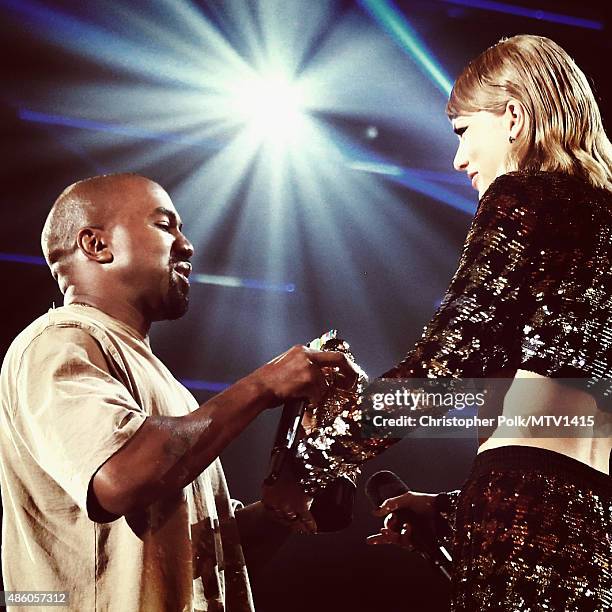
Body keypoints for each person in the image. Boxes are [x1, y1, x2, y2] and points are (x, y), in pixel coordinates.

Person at [289, 35, 612, 610]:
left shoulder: (522, 196)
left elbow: (449, 361)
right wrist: (445, 509)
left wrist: (323, 447)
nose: (459, 160)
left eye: (464, 132)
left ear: (514, 115)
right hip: (596, 527)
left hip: (522, 507)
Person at [0, 173, 357, 611]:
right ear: (96, 245)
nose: (186, 246)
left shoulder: (163, 385)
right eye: (165, 225)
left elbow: (201, 564)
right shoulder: (58, 341)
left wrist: (284, 505)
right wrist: (264, 385)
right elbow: (119, 480)